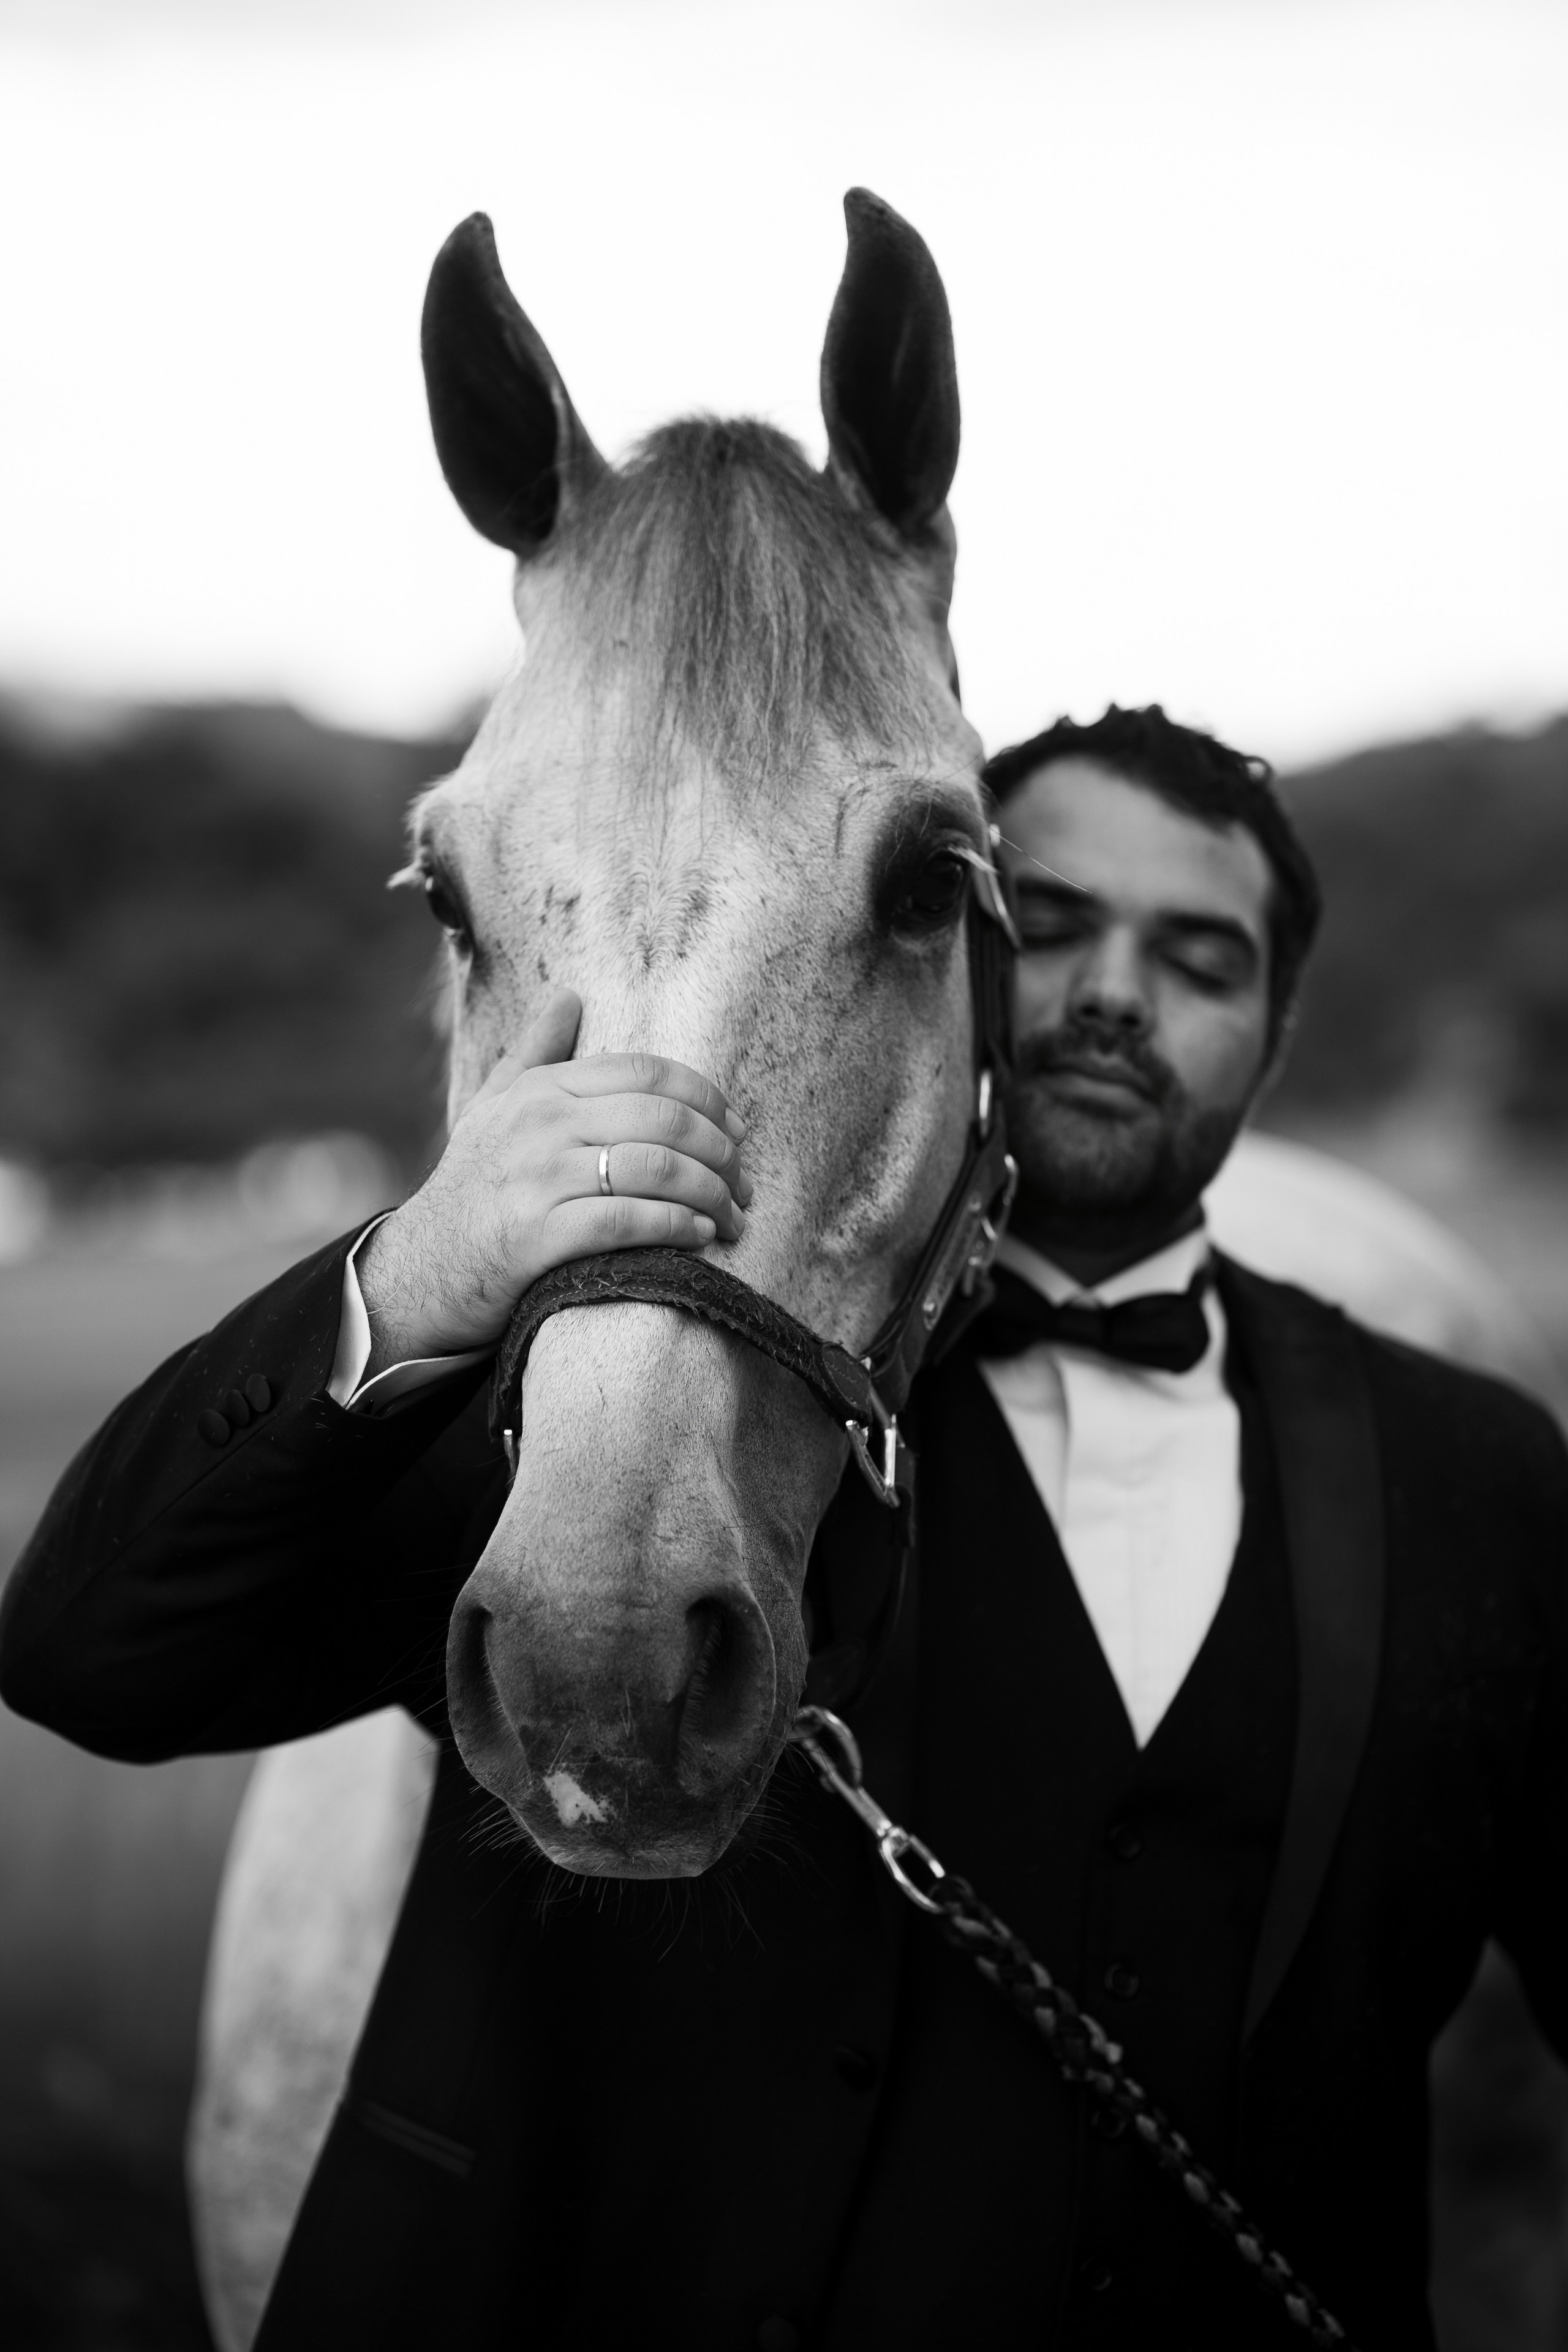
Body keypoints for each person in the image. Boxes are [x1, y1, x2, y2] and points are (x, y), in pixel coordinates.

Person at [3, 706, 1565, 2350]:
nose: (1116, 993)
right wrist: (418, 1269)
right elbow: (93, 1651)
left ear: (1278, 1026)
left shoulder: (1475, 1469)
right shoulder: (633, 1412)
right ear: (948, 970)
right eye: (1051, 927)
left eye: (1199, 958)